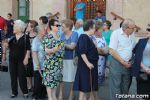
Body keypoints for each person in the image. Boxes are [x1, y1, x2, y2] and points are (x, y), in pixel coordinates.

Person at [109, 19, 136, 100]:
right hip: (117, 63)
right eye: (133, 28)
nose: (134, 29)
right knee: (116, 86)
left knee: (126, 87)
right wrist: (122, 61)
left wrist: (131, 61)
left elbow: (133, 49)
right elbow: (112, 50)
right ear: (126, 28)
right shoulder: (116, 33)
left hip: (128, 64)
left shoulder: (132, 35)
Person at [2, 20, 30, 98]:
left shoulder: (25, 37)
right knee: (13, 76)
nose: (13, 28)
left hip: (22, 59)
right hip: (12, 59)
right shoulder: (12, 36)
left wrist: (26, 58)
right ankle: (14, 92)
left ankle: (25, 91)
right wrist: (6, 45)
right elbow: (7, 46)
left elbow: (28, 49)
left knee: (22, 76)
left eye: (14, 26)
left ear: (19, 28)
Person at [73, 20, 99, 100]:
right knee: (84, 88)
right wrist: (88, 63)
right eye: (94, 28)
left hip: (89, 66)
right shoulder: (83, 37)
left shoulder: (87, 37)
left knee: (85, 88)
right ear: (90, 28)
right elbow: (82, 52)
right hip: (86, 66)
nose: (95, 30)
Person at [42, 19, 64, 100]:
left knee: (55, 82)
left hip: (58, 63)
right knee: (49, 82)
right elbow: (46, 50)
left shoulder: (58, 36)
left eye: (59, 25)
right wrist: (54, 50)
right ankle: (50, 98)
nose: (59, 27)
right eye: (57, 25)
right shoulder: (49, 36)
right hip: (51, 63)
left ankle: (54, 97)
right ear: (52, 26)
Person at [60, 19, 78, 100]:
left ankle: (71, 94)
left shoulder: (75, 34)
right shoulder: (61, 34)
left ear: (68, 27)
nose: (61, 28)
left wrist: (62, 44)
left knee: (72, 78)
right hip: (62, 58)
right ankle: (61, 94)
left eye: (63, 27)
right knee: (61, 78)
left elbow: (72, 47)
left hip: (71, 59)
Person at [131, 30, 150, 100]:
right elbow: (135, 54)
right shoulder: (141, 41)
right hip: (142, 72)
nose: (147, 31)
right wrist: (143, 66)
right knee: (142, 94)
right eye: (147, 29)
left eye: (149, 30)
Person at [32, 25, 47, 100]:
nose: (45, 29)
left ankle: (43, 95)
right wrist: (37, 64)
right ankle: (35, 96)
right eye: (43, 29)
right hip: (38, 64)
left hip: (46, 64)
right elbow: (34, 53)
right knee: (38, 82)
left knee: (44, 82)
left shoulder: (45, 39)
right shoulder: (35, 40)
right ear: (39, 31)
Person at [25, 20, 38, 92]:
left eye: (29, 26)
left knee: (35, 71)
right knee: (28, 71)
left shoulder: (37, 35)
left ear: (32, 27)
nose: (27, 27)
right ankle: (29, 86)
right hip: (28, 55)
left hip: (36, 55)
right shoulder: (26, 35)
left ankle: (36, 86)